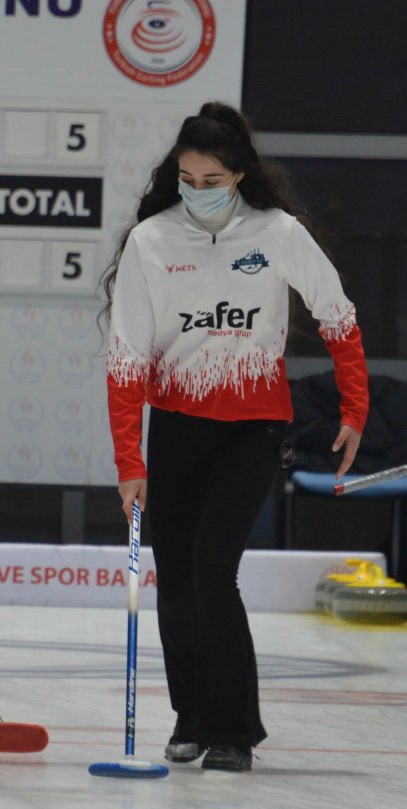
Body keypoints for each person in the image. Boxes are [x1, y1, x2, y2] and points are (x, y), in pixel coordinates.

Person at [101, 102, 368, 772]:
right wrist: (129, 459)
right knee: (176, 579)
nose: (198, 190)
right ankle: (189, 718)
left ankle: (232, 730)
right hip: (178, 426)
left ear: (240, 175)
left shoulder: (278, 233)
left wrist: (355, 408)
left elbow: (337, 315)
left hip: (254, 427)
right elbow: (126, 358)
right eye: (187, 178)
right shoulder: (150, 241)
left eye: (212, 180)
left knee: (213, 568)